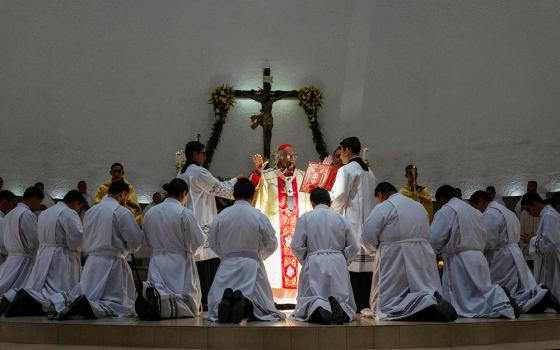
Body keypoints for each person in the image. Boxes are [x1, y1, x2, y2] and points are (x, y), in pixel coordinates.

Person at [362, 182, 457, 321]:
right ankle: (431, 299)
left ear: (381, 195)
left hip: (396, 255)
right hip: (423, 254)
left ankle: (425, 303)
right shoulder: (418, 206)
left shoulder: (385, 206)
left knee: (390, 302)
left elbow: (368, 235)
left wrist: (373, 250)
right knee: (421, 287)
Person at [55, 180, 143, 319]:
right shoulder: (121, 212)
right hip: (112, 264)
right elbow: (135, 241)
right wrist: (127, 250)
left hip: (92, 263)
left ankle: (78, 304)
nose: (127, 200)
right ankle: (91, 307)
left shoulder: (91, 211)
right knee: (118, 303)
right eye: (127, 196)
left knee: (89, 293)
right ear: (122, 194)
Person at [429, 185, 517, 319]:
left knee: (465, 299)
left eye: (439, 202)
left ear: (442, 199)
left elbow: (435, 238)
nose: (439, 205)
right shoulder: (474, 211)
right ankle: (499, 300)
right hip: (479, 257)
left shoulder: (447, 210)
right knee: (480, 291)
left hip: (460, 259)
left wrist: (431, 252)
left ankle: (500, 302)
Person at [206, 178, 284, 323]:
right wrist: (259, 256)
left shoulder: (221, 215)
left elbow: (212, 242)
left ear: (234, 195)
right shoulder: (258, 216)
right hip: (252, 264)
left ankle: (227, 303)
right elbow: (271, 243)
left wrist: (225, 255)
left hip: (227, 265)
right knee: (261, 304)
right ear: (253, 195)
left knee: (218, 297)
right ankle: (243, 304)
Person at [470, 190, 559, 313]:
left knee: (504, 288)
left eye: (476, 208)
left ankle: (512, 308)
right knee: (518, 288)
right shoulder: (508, 212)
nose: (477, 212)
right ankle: (537, 298)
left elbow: (488, 240)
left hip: (501, 256)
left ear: (481, 202)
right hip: (514, 253)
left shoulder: (490, 214)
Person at [176, 141, 238, 310]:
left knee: (196, 259)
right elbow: (220, 189)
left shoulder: (181, 173)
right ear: (195, 154)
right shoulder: (198, 172)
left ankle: (196, 297)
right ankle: (207, 298)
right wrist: (237, 181)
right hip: (202, 220)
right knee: (206, 259)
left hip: (189, 221)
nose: (204, 156)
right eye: (202, 153)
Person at [4, 190, 85, 317]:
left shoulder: (45, 213)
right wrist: (82, 249)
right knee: (59, 288)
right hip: (61, 256)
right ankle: (53, 305)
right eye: (80, 207)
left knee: (45, 286)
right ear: (76, 203)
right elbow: (76, 239)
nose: (79, 211)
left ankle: (19, 297)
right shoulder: (69, 213)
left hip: (44, 254)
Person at [136, 178, 205, 320]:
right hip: (180, 262)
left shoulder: (150, 212)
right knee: (186, 300)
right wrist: (191, 251)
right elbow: (198, 240)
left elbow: (145, 240)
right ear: (183, 193)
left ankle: (156, 304)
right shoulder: (184, 213)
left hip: (157, 260)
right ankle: (163, 307)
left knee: (159, 290)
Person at [251, 144, 312, 303]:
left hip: (297, 227)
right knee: (275, 265)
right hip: (276, 228)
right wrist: (258, 173)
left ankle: (297, 297)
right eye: (288, 155)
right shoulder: (268, 176)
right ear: (279, 157)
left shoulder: (303, 176)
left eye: (294, 155)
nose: (292, 158)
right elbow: (254, 193)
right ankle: (274, 298)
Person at [291, 188, 358, 324]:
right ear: (330, 202)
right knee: (340, 296)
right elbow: (353, 246)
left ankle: (319, 309)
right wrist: (344, 259)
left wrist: (305, 259)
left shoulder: (306, 218)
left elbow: (296, 245)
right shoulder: (340, 218)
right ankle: (340, 310)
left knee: (315, 296)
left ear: (312, 203)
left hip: (315, 259)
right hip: (337, 260)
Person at [329, 137, 377, 312]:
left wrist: (326, 207)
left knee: (352, 266)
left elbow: (338, 197)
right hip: (367, 226)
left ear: (347, 150)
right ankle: (365, 304)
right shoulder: (369, 171)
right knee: (366, 269)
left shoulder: (346, 170)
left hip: (352, 224)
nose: (340, 156)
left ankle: (352, 304)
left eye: (341, 151)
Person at [0, 187, 43, 315]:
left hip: (11, 257)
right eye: (39, 201)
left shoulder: (10, 214)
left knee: (5, 283)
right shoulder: (26, 214)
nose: (39, 205)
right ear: (34, 198)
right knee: (21, 287)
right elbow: (34, 241)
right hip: (24, 259)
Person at [523, 193, 560, 300]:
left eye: (528, 210)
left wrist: (532, 240)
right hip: (551, 259)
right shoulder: (548, 214)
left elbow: (552, 243)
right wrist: (536, 238)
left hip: (553, 261)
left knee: (554, 288)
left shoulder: (549, 215)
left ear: (535, 204)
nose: (529, 214)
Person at [516, 181, 543, 268]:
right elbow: (517, 209)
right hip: (527, 230)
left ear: (535, 187)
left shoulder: (540, 200)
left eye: (531, 186)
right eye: (528, 186)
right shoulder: (525, 202)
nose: (528, 188)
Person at [0, 190, 18, 265]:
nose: (14, 209)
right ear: (5, 202)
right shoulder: (1, 221)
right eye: (13, 205)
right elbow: (5, 245)